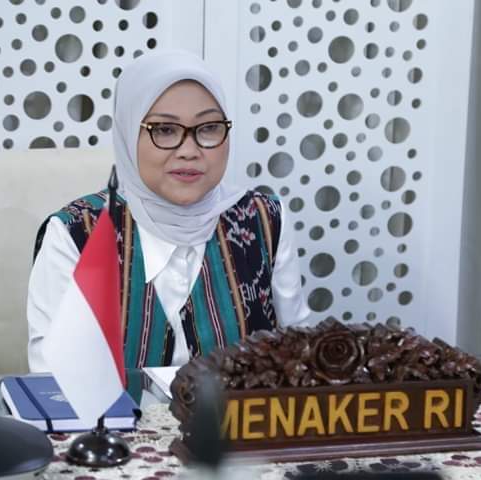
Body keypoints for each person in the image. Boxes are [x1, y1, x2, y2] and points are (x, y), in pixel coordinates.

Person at [27, 50, 310, 372]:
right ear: (128, 133)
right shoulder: (77, 234)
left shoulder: (265, 221)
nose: (189, 151)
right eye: (164, 130)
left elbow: (298, 358)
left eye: (208, 128)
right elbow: (54, 380)